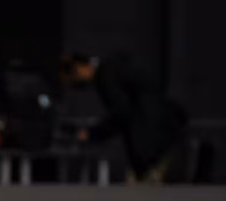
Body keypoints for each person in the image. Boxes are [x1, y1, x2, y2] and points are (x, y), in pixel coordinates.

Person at [62, 52, 188, 185]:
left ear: (80, 67)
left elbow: (121, 113)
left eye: (73, 78)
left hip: (151, 146)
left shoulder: (106, 76)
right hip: (166, 138)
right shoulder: (118, 69)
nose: (76, 84)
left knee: (142, 195)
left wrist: (93, 133)